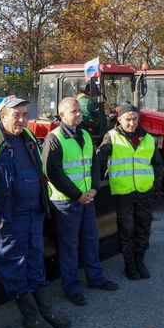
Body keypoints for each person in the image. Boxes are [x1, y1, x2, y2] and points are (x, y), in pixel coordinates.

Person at [0, 95, 71, 328]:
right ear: (3, 116)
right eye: (16, 115)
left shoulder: (27, 137)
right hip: (8, 218)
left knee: (36, 260)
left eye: (24, 115)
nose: (21, 120)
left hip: (34, 213)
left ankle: (45, 310)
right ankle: (30, 316)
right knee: (14, 265)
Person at [41, 97, 119, 307]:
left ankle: (96, 279)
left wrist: (94, 187)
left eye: (78, 111)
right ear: (62, 115)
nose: (78, 114)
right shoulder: (54, 139)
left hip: (86, 199)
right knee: (68, 246)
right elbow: (54, 173)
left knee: (91, 240)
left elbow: (94, 163)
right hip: (67, 203)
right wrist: (77, 195)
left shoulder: (84, 134)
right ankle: (72, 288)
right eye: (73, 111)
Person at [96, 103, 164, 280]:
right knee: (127, 230)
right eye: (128, 119)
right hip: (123, 194)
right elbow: (99, 162)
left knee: (144, 228)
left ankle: (140, 261)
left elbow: (158, 164)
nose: (132, 123)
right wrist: (96, 186)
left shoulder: (148, 138)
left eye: (135, 119)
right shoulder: (111, 137)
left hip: (145, 192)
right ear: (119, 119)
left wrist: (155, 186)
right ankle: (129, 264)